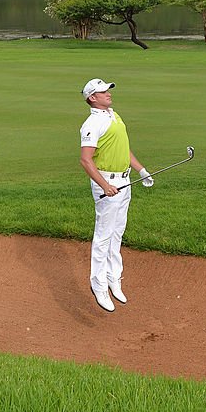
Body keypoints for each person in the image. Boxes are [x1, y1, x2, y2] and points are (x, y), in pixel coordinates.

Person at [79, 78, 154, 312]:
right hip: (108, 184)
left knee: (117, 233)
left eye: (107, 90)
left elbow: (123, 149)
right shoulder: (92, 123)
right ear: (92, 98)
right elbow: (85, 159)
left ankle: (114, 278)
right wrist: (103, 185)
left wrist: (141, 169)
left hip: (125, 180)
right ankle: (98, 285)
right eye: (103, 91)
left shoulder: (114, 115)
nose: (108, 93)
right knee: (103, 236)